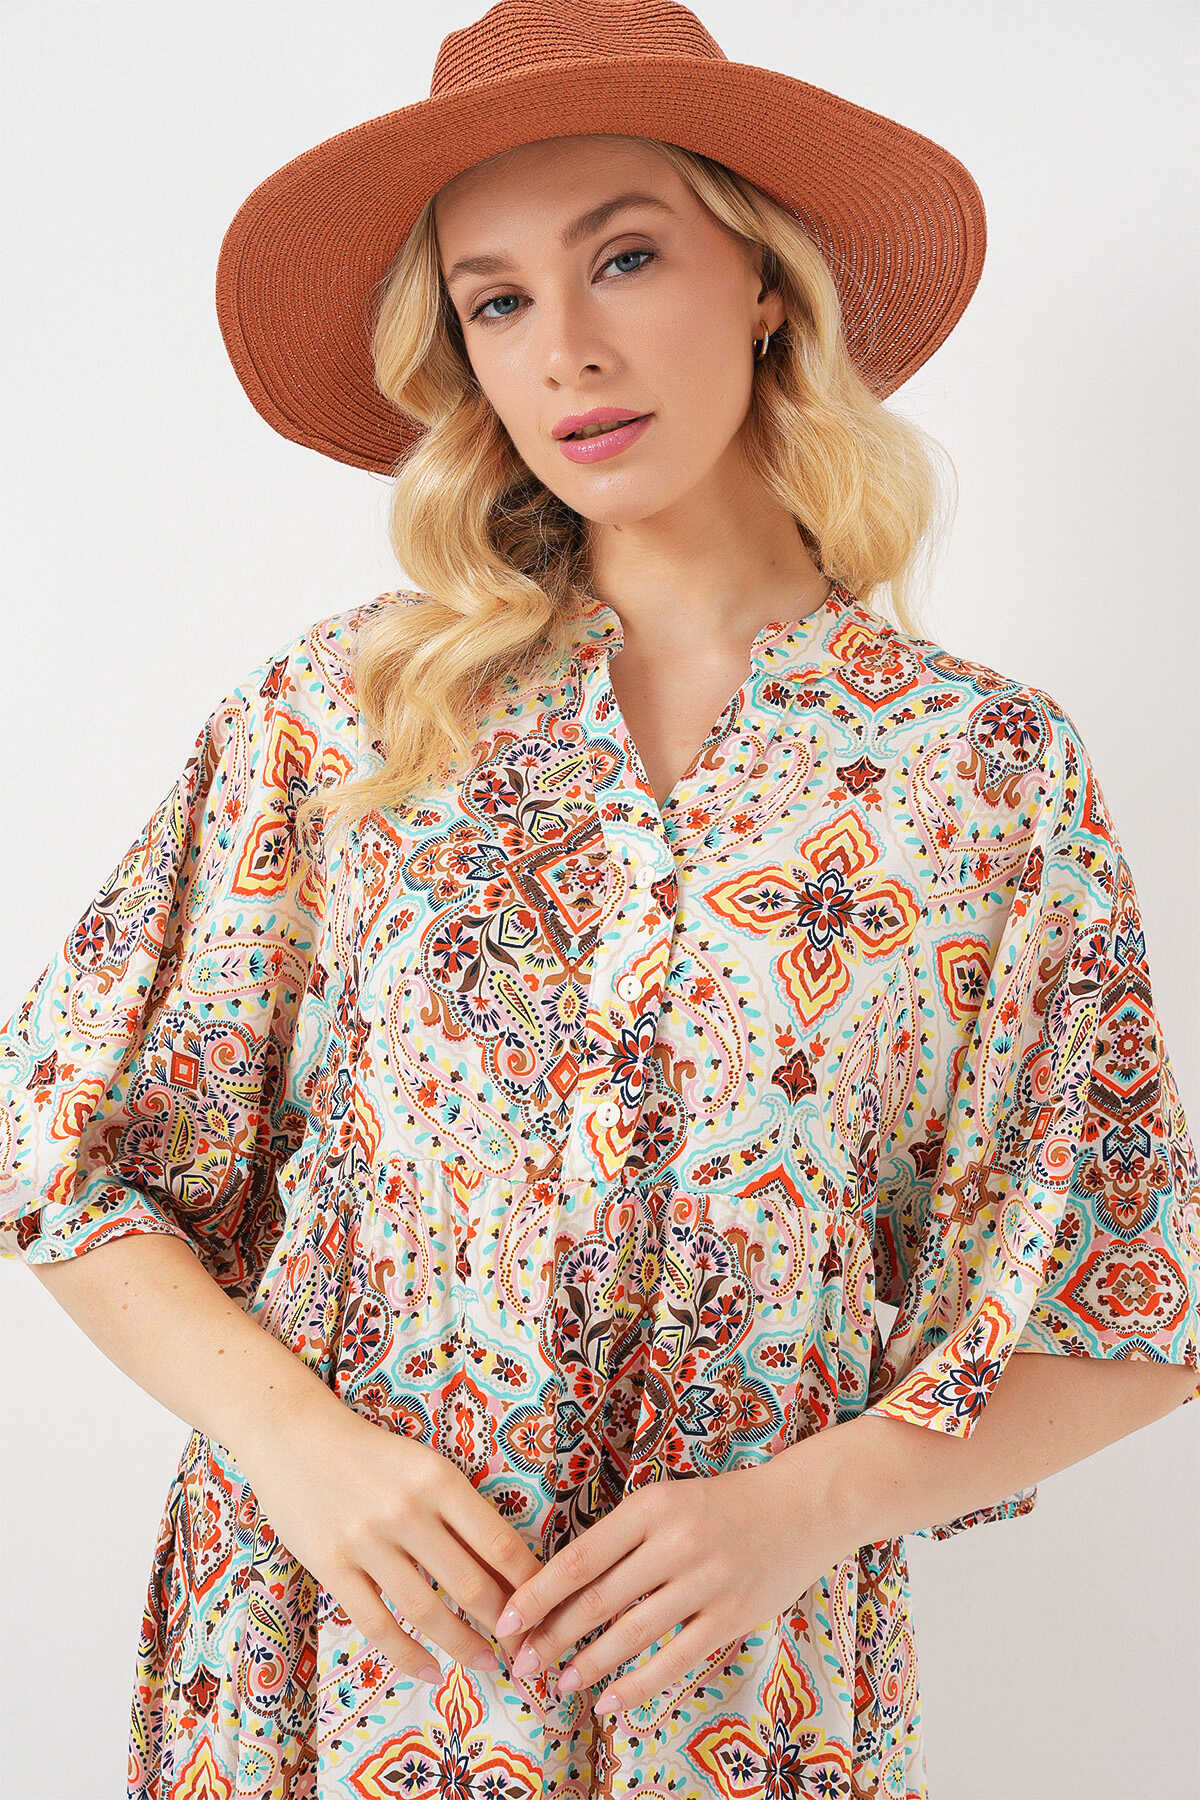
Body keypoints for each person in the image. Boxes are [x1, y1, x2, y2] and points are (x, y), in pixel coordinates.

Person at [3, 3, 1197, 1795]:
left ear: (765, 280)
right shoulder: (348, 717)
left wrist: (811, 1507)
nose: (565, 347)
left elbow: (1131, 1308)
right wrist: (298, 1451)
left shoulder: (980, 772)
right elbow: (61, 1137)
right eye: (495, 301)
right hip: (342, 1662)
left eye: (624, 257)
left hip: (736, 1695)